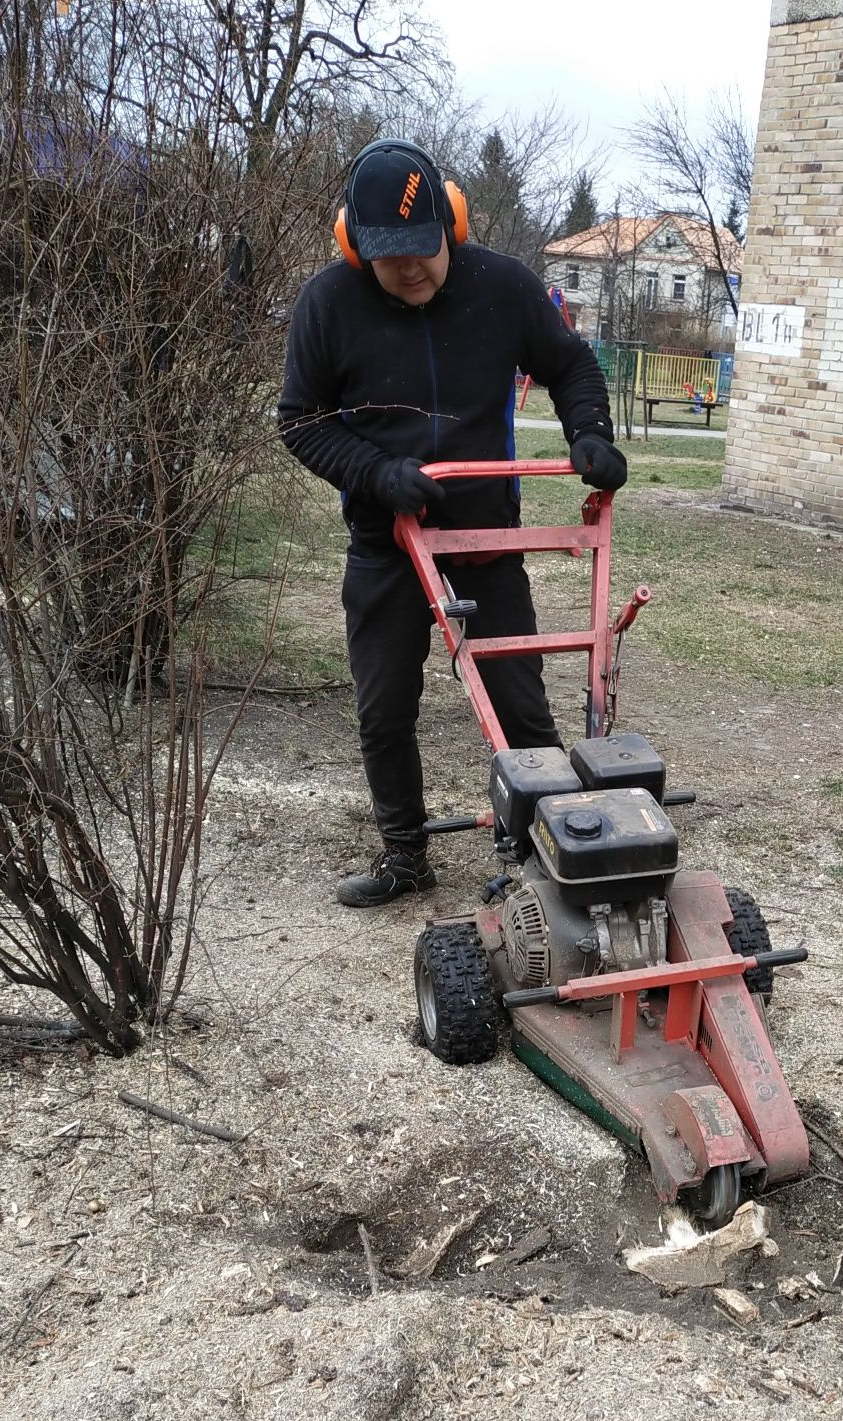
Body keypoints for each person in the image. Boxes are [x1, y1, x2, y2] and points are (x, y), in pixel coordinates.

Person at [278, 139, 627, 907]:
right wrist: (375, 475)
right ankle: (406, 856)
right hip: (387, 543)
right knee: (384, 708)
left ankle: (550, 859)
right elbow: (300, 421)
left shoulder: (501, 286)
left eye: (423, 250)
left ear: (452, 222)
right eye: (388, 256)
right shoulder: (327, 304)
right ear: (354, 245)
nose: (410, 270)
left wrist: (590, 433)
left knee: (520, 708)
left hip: (484, 543)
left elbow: (569, 363)